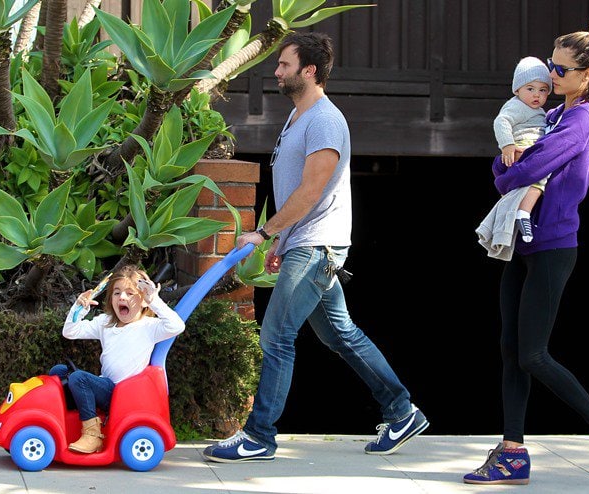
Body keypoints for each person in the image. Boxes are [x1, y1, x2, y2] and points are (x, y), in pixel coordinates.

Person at [203, 31, 428, 463]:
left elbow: (311, 190)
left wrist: (266, 233)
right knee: (341, 335)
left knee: (277, 337)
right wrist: (283, 241)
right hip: (305, 243)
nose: (277, 71)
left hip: (318, 245)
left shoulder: (325, 119)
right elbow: (298, 190)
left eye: (284, 64)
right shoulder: (297, 119)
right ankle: (403, 411)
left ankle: (259, 435)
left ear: (309, 71)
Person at [464, 22, 589, 485]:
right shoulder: (556, 113)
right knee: (510, 350)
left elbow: (527, 167)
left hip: (552, 245)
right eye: (551, 63)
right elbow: (512, 160)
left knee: (533, 354)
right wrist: (510, 166)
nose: (552, 73)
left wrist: (508, 172)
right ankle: (513, 451)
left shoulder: (583, 120)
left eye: (561, 69)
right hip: (524, 243)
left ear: (586, 74)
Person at [49, 265, 185, 454]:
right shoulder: (105, 323)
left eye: (130, 294)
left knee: (78, 378)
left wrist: (154, 301)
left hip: (122, 394)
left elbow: (177, 325)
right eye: (117, 293)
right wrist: (79, 307)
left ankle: (93, 436)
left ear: (143, 301)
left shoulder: (149, 327)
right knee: (59, 371)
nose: (122, 297)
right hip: (105, 386)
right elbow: (70, 332)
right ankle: (60, 421)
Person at [492, 56, 553, 243]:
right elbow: (501, 121)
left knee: (527, 185)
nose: (537, 95)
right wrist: (507, 145)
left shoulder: (536, 110)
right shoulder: (517, 106)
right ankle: (523, 214)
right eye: (530, 89)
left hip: (530, 146)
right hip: (523, 145)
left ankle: (516, 215)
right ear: (517, 90)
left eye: (543, 90)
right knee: (541, 176)